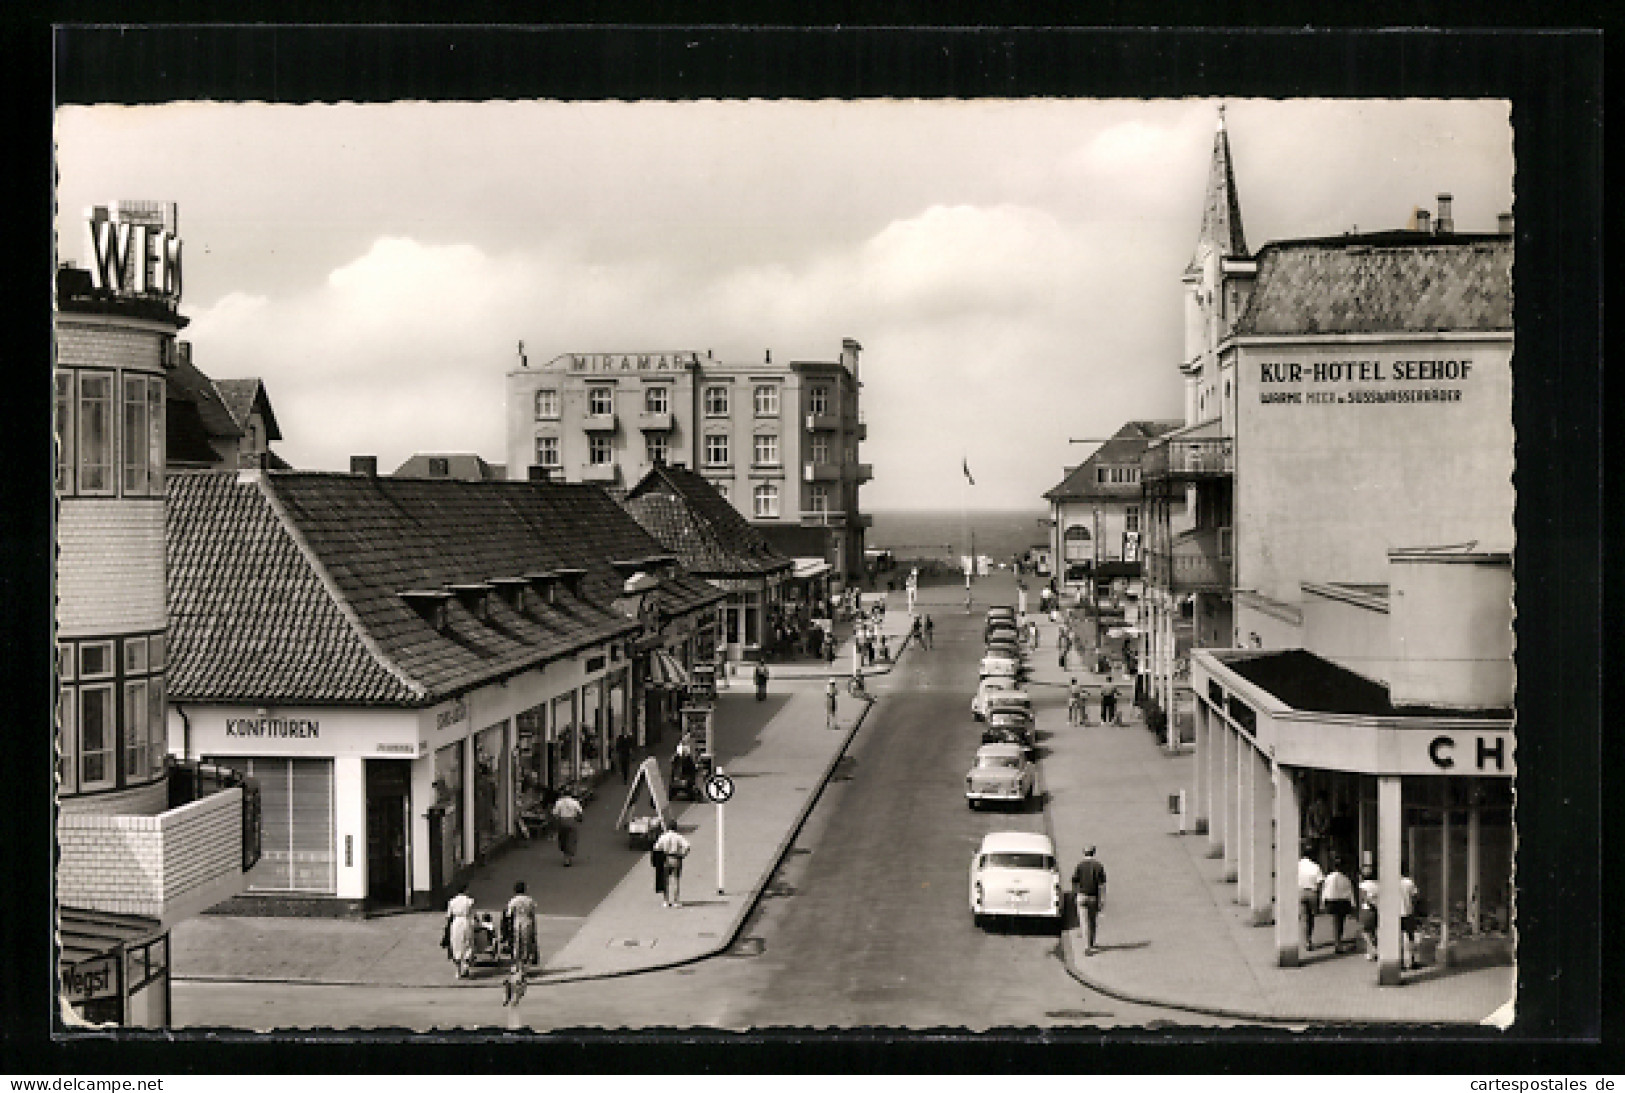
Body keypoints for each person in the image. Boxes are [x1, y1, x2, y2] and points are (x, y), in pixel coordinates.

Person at [1072, 846, 1107, 955]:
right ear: (1094, 853)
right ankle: (1091, 943)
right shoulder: (1099, 866)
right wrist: (1102, 899)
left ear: (1084, 853)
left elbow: (1075, 881)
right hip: (1093, 897)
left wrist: (1075, 894)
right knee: (1092, 921)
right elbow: (1102, 885)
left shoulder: (1080, 866)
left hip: (1081, 896)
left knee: (1084, 922)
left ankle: (1087, 946)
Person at [1320, 856, 1356, 954]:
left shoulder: (1329, 877)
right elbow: (1350, 892)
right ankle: (1338, 941)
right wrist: (1353, 904)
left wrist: (1323, 902)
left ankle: (1337, 942)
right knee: (1340, 922)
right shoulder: (1346, 879)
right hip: (1343, 902)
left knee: (1336, 922)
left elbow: (1325, 890)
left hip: (1332, 901)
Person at [653, 824, 692, 907]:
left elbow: (656, 847)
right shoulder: (678, 837)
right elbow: (687, 846)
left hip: (666, 858)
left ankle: (666, 901)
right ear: (676, 828)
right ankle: (676, 901)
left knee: (665, 880)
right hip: (676, 858)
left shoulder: (663, 837)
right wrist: (683, 854)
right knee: (676, 880)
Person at [444, 882, 476, 979]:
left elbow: (448, 916)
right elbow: (472, 914)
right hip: (466, 922)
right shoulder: (469, 901)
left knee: (457, 944)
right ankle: (466, 967)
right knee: (468, 944)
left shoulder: (452, 901)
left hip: (456, 923)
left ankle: (458, 971)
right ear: (465, 890)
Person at [1297, 842, 1326, 951]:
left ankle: (1306, 941)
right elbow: (1320, 882)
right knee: (1311, 917)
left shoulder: (1298, 865)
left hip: (1300, 892)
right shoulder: (1316, 867)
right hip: (1312, 893)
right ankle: (1309, 938)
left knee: (1304, 918)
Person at [505, 880, 538, 968]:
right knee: (527, 943)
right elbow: (532, 913)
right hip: (528, 922)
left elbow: (509, 914)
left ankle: (518, 964)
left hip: (517, 922)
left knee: (517, 943)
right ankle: (525, 962)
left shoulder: (513, 901)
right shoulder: (530, 900)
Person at [551, 790, 584, 866]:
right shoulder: (574, 802)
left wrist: (555, 824)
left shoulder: (559, 802)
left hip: (562, 821)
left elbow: (555, 813)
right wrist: (580, 820)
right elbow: (580, 812)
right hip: (572, 821)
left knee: (563, 838)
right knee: (571, 839)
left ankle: (565, 855)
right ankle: (568, 858)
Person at [1398, 870, 1421, 970]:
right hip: (1408, 912)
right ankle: (1412, 961)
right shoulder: (1408, 882)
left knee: (1398, 939)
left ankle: (1401, 962)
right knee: (1411, 937)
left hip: (1395, 915)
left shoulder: (1388, 884)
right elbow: (1415, 895)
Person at [1358, 866, 1381, 960]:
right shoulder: (1378, 884)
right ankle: (1371, 952)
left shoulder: (1363, 885)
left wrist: (1371, 903)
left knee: (1365, 932)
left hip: (1367, 909)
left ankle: (1373, 949)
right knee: (1374, 931)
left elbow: (1364, 897)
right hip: (1378, 909)